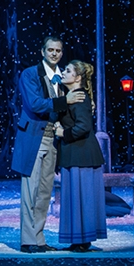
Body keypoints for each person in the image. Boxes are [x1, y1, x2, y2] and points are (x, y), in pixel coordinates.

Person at [11, 36, 87, 252]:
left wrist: (84, 107)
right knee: (30, 191)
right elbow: (35, 104)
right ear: (42, 51)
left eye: (58, 50)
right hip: (34, 137)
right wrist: (65, 101)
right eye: (50, 50)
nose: (54, 53)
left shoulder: (62, 77)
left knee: (45, 191)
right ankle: (28, 241)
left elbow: (71, 104)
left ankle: (39, 238)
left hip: (52, 139)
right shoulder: (30, 74)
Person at [53, 60, 106, 252]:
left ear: (78, 77)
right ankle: (79, 240)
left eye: (68, 71)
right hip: (74, 154)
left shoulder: (80, 97)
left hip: (81, 155)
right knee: (76, 199)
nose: (63, 73)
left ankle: (83, 240)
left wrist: (63, 133)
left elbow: (83, 126)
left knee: (81, 199)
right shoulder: (72, 96)